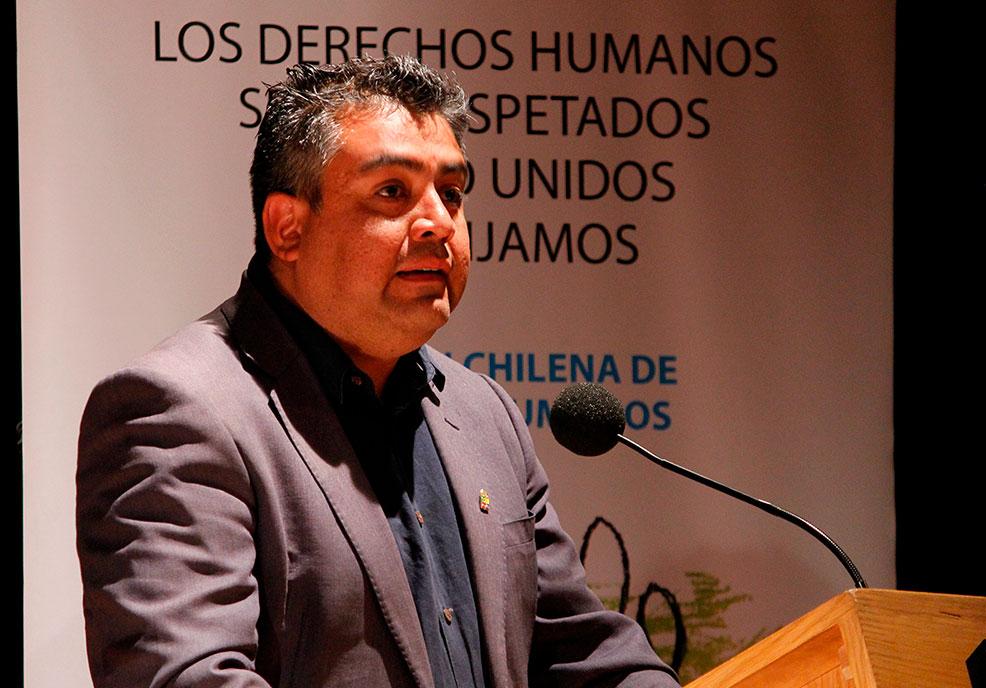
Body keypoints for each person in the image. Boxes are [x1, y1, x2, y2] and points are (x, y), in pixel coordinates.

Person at [76, 55, 680, 688]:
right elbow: (189, 676)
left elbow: (582, 653)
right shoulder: (177, 410)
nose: (440, 223)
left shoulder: (483, 412)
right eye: (392, 192)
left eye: (452, 193)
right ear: (287, 228)